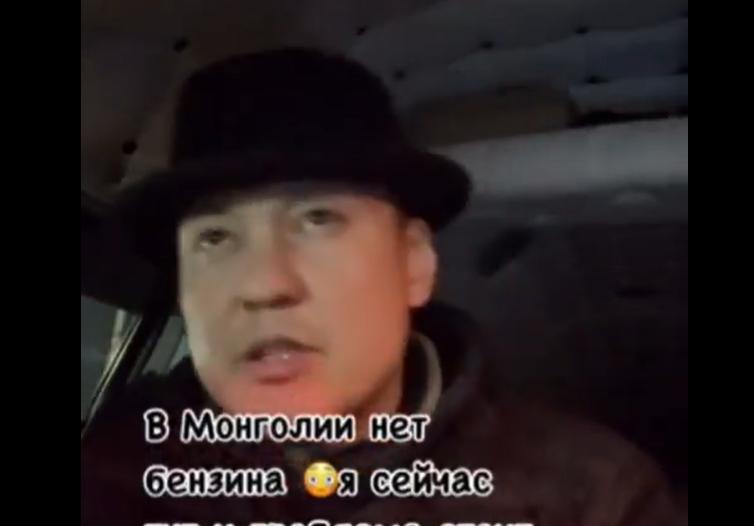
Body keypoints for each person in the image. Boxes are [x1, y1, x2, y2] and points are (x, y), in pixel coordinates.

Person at [81, 48, 680, 525]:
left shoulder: (593, 495)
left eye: (318, 220)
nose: (263, 284)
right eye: (215, 238)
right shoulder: (114, 472)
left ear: (414, 263)